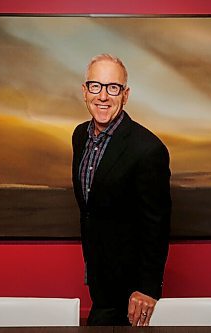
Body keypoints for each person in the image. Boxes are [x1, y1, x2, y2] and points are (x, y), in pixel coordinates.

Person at [72, 54, 171, 326]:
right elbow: (91, 209)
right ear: (84, 91)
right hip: (98, 279)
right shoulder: (80, 136)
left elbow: (157, 225)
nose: (103, 96)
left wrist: (148, 289)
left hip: (132, 293)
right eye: (96, 86)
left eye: (112, 88)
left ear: (125, 95)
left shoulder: (148, 149)